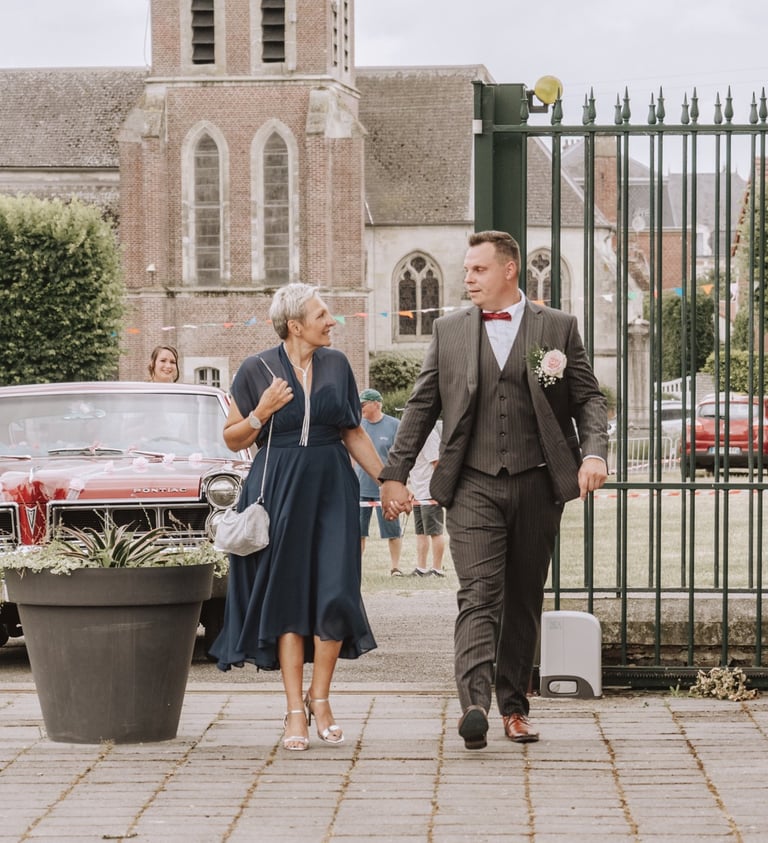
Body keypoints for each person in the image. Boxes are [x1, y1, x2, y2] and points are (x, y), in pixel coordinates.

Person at [380, 230, 608, 749]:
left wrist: (593, 453)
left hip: (537, 480)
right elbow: (421, 407)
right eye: (466, 270)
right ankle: (475, 704)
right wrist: (395, 471)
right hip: (473, 483)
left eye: (478, 270)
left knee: (524, 598)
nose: (467, 279)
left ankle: (515, 707)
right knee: (479, 594)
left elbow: (587, 399)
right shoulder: (449, 330)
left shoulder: (558, 327)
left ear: (510, 270)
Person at [209, 283, 382, 752]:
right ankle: (293, 712)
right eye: (323, 314)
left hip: (331, 488)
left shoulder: (338, 365)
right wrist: (261, 412)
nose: (332, 321)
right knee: (287, 599)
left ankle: (320, 698)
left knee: (335, 592)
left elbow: (353, 432)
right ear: (295, 325)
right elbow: (233, 440)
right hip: (279, 487)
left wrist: (388, 480)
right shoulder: (255, 369)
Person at [356, 388, 404, 576]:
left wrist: (400, 483)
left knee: (392, 530)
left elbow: (400, 457)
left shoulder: (394, 425)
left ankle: (395, 568)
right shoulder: (357, 425)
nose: (360, 408)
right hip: (360, 487)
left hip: (386, 489)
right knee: (358, 532)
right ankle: (356, 568)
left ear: (376, 404)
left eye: (363, 404)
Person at [408, 424, 446, 577]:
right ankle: (421, 568)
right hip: (418, 491)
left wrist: (437, 488)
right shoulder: (413, 436)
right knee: (421, 532)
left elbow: (437, 462)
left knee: (435, 532)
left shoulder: (428, 435)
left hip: (429, 491)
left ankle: (437, 569)